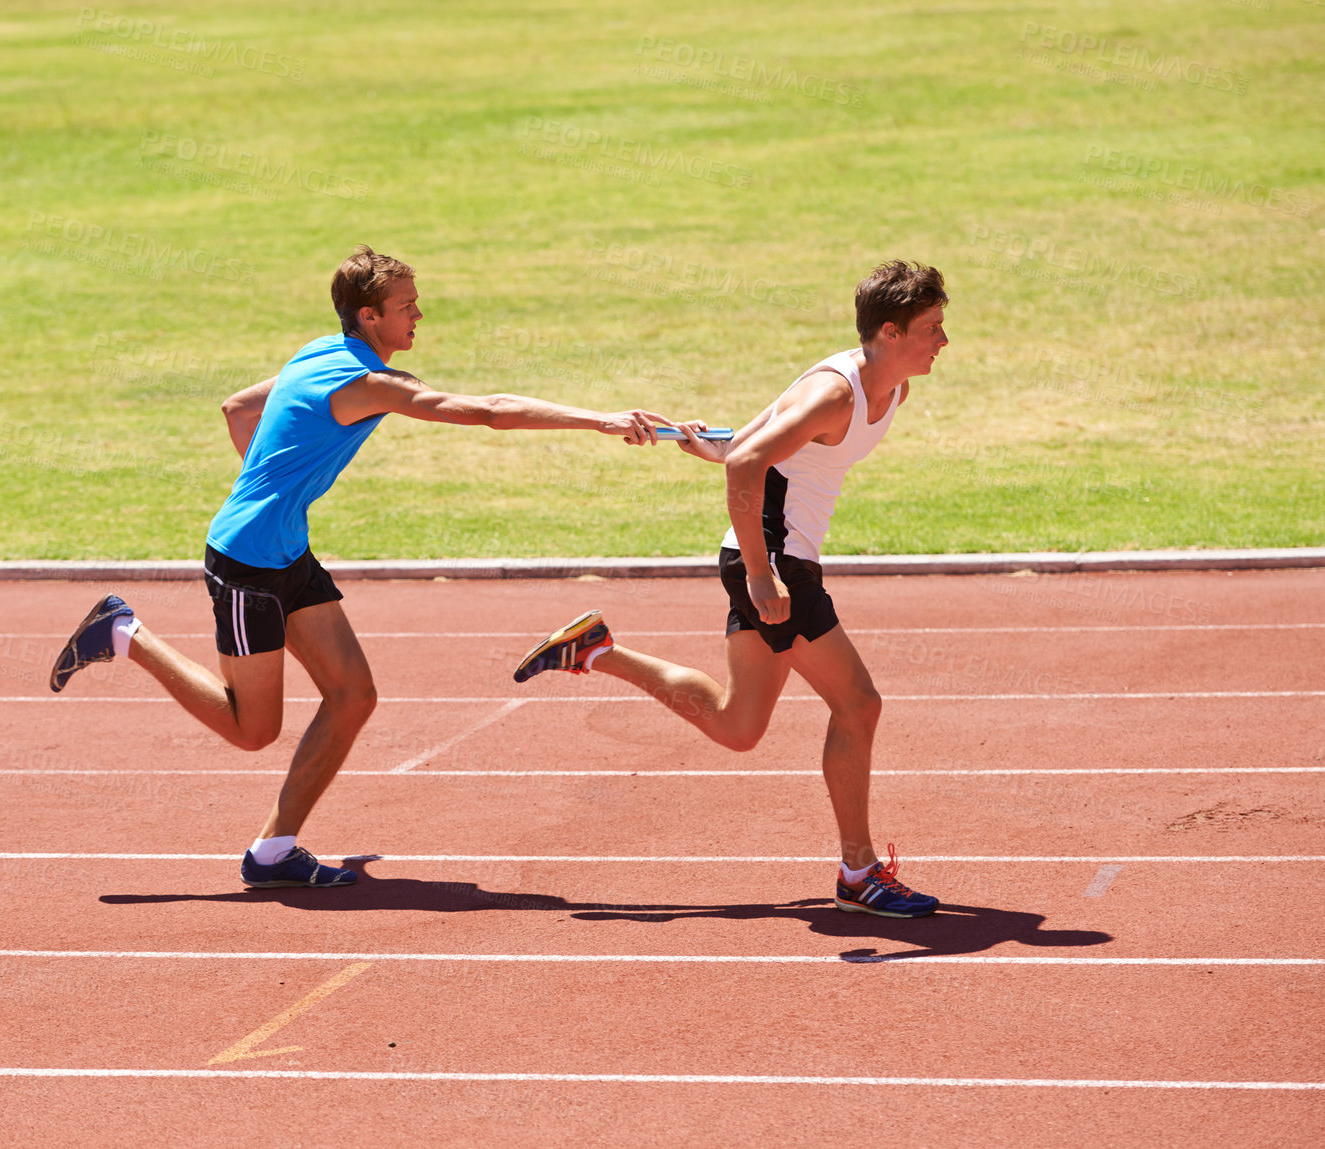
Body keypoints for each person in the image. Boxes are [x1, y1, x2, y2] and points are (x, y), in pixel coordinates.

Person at [49, 245, 684, 889]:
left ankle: (273, 852)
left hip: (283, 547)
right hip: (247, 563)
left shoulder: (320, 350)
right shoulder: (369, 384)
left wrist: (274, 492)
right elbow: (487, 411)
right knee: (252, 730)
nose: (419, 315)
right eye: (406, 306)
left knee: (353, 695)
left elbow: (238, 408)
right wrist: (599, 420)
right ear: (370, 315)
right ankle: (125, 634)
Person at [513, 259, 949, 918]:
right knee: (858, 705)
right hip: (775, 566)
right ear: (890, 331)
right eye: (932, 328)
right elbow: (750, 461)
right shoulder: (836, 393)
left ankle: (597, 650)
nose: (943, 341)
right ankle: (859, 872)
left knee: (739, 725)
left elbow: (752, 445)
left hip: (776, 560)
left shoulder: (892, 390)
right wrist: (758, 573)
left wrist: (714, 448)